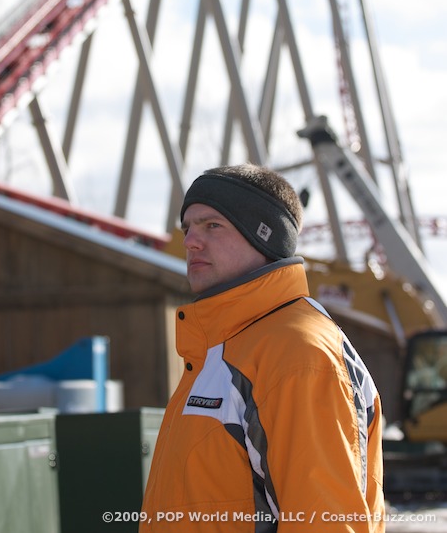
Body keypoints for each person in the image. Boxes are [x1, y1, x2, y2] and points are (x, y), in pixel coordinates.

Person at [140, 164, 385, 532]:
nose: (190, 241)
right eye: (188, 227)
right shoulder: (224, 349)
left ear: (264, 237)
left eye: (212, 225)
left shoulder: (297, 354)